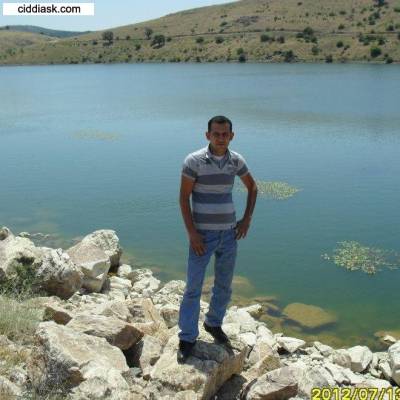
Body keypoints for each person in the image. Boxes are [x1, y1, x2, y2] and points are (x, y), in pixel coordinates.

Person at [177, 115, 258, 363]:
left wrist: (246, 220)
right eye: (216, 134)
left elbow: (252, 187)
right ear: (207, 135)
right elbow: (184, 198)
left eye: (225, 134)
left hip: (229, 234)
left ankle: (213, 323)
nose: (220, 138)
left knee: (223, 285)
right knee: (193, 287)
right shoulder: (194, 161)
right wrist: (192, 233)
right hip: (202, 236)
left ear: (231, 136)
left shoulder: (236, 161)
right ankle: (187, 337)